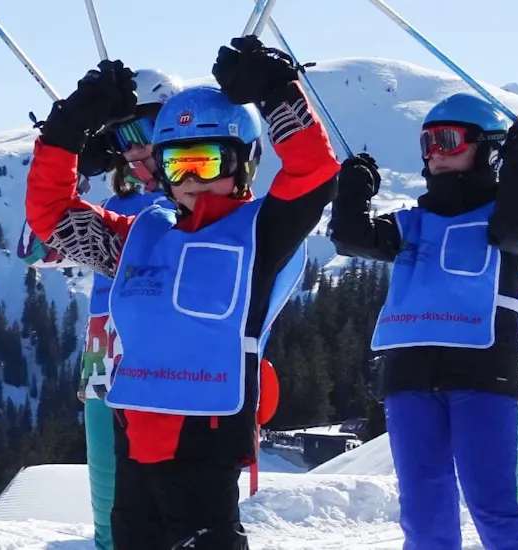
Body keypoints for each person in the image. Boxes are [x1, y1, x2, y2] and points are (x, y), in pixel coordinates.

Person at [23, 37, 339, 549]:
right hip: (134, 433)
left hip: (205, 439)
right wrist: (66, 131)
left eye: (206, 161)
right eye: (176, 164)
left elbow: (313, 172)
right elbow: (52, 216)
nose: (190, 178)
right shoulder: (140, 235)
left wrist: (277, 92)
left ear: (243, 163)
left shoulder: (260, 233)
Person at [330, 93, 518, 549]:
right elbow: (350, 238)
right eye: (427, 142)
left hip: (484, 374)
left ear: (488, 148)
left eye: (448, 140)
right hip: (409, 377)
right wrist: (353, 189)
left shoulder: (505, 219)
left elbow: (515, 229)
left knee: (495, 508)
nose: (434, 152)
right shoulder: (411, 224)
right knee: (423, 514)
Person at [66, 68, 184, 550]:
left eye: (142, 130)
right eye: (120, 136)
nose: (132, 148)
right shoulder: (116, 205)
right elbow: (33, 248)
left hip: (169, 366)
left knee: (177, 509)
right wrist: (76, 168)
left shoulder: (196, 197)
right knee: (111, 520)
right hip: (104, 365)